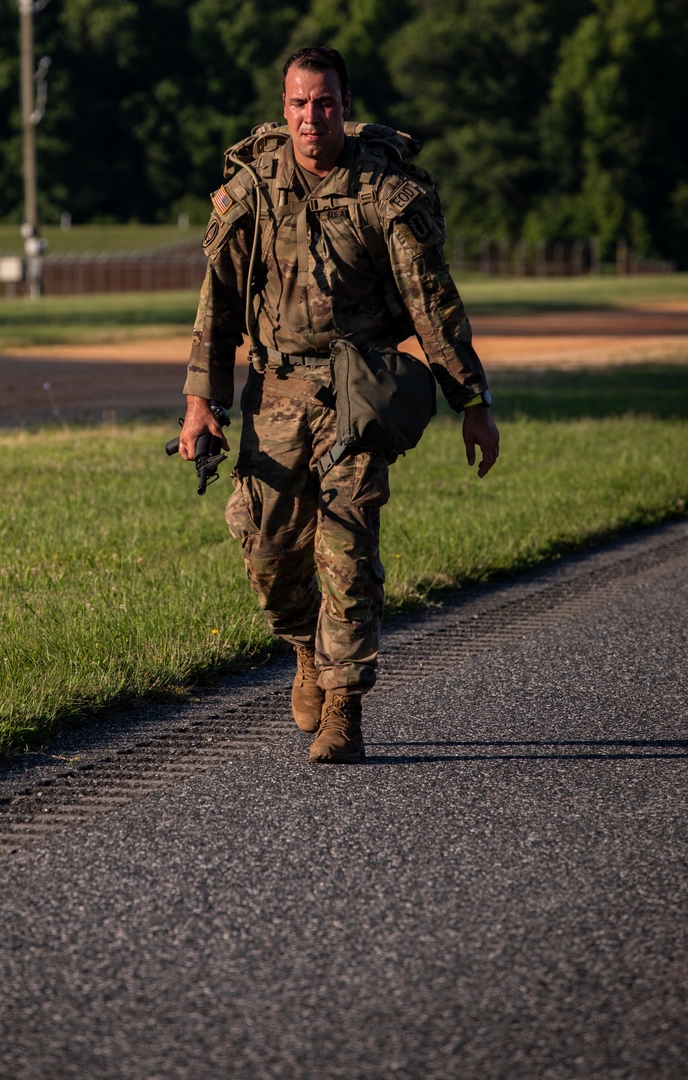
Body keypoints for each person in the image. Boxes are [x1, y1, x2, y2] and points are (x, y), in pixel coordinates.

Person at [179, 46, 500, 764]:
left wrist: (471, 401)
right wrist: (203, 401)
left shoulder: (382, 191)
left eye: (324, 103)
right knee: (268, 554)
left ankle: (344, 706)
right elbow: (218, 303)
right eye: (298, 103)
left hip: (358, 392)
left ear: (344, 107)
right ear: (284, 106)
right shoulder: (256, 187)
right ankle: (305, 650)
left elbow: (431, 304)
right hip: (274, 394)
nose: (310, 117)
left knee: (348, 551)